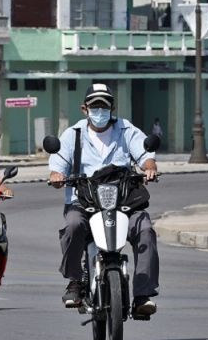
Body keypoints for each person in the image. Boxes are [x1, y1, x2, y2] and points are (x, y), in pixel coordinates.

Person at [48, 84, 159, 315]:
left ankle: (142, 295)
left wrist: (149, 167)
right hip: (84, 201)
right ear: (84, 108)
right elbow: (58, 162)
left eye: (104, 106)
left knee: (145, 228)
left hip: (123, 201)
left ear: (113, 108)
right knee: (73, 226)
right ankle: (75, 283)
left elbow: (145, 154)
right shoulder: (73, 134)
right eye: (95, 106)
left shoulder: (126, 129)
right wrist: (57, 175)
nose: (100, 110)